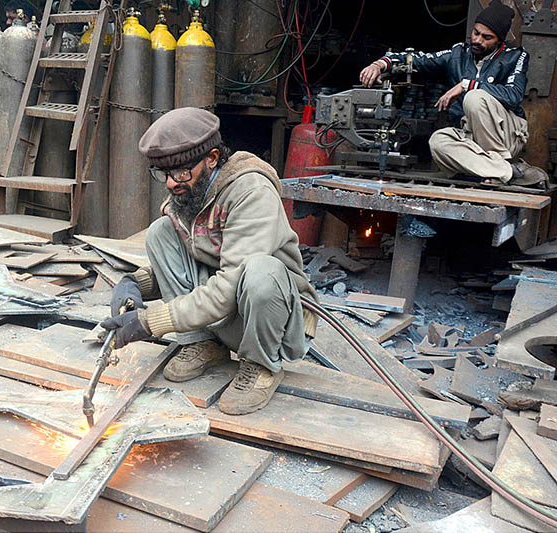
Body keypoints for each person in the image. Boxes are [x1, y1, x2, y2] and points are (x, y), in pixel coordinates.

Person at [99, 107, 319, 416]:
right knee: (161, 232)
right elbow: (196, 258)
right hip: (227, 312)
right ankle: (202, 343)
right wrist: (136, 283)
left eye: (180, 172)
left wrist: (151, 322)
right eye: (163, 173)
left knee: (260, 272)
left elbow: (230, 284)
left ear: (213, 158)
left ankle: (261, 365)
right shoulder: (191, 193)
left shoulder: (251, 192)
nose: (172, 183)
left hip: (278, 322)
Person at [359, 0, 547, 188]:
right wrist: (381, 63)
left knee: (474, 97)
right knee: (438, 141)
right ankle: (507, 171)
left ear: (499, 40)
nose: (478, 40)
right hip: (469, 137)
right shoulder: (458, 55)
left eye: (487, 37)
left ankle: (495, 165)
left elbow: (513, 95)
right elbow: (419, 59)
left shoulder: (515, 56)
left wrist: (467, 85)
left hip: (506, 133)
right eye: (476, 33)